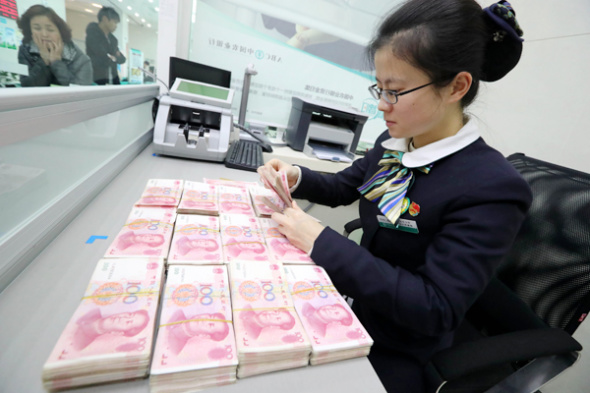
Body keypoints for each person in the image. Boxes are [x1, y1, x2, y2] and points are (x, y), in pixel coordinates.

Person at [261, 1, 531, 392]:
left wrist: (320, 241)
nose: (381, 104)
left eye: (396, 91)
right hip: (353, 307)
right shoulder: (396, 145)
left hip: (400, 345)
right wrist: (296, 176)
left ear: (457, 86)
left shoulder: (492, 187)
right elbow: (345, 187)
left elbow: (434, 307)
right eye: (380, 88)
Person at [17, 5, 93, 87]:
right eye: (37, 28)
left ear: (61, 32)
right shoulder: (26, 51)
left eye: (50, 30)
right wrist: (43, 61)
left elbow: (79, 93)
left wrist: (56, 63)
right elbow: (27, 87)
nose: (44, 34)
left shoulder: (80, 58)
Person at [73, 308, 149, 350]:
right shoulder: (92, 310)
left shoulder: (79, 344)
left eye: (128, 322)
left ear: (118, 333)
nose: (123, 318)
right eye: (130, 314)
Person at [85, 6, 126, 85]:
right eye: (114, 22)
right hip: (96, 78)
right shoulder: (92, 34)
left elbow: (122, 59)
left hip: (113, 78)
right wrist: (114, 57)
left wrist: (113, 58)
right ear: (105, 19)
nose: (116, 26)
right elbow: (102, 56)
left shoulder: (113, 40)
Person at [166, 309, 230, 354]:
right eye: (210, 316)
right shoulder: (177, 312)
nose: (205, 320)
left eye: (211, 325)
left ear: (204, 335)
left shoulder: (174, 348)